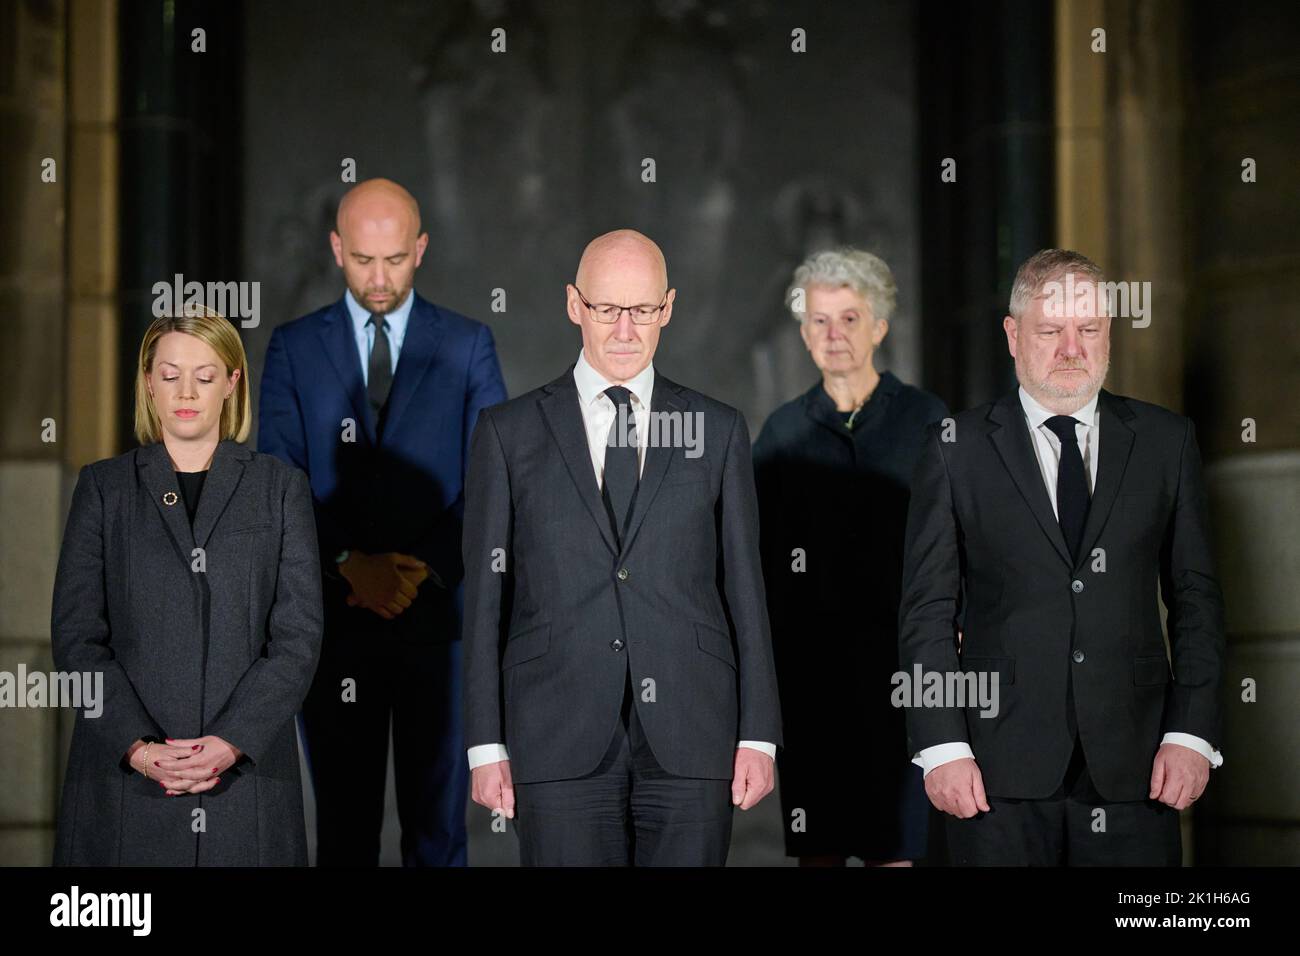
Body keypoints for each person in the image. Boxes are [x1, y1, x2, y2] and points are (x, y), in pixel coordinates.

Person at [462, 229, 782, 866]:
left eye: (642, 309)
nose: (625, 329)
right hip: (553, 732)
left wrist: (759, 736)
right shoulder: (509, 432)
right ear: (575, 305)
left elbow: (746, 590)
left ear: (667, 308)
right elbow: (484, 601)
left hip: (695, 733)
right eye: (608, 308)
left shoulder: (717, 430)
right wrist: (485, 744)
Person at [899, 248, 1226, 865]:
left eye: (1090, 330)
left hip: (1140, 768)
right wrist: (942, 747)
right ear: (1014, 336)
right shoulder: (954, 447)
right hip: (991, 773)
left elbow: (1196, 599)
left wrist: (1191, 733)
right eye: (1051, 331)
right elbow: (927, 611)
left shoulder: (1165, 442)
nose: (1072, 349)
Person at [258, 178, 507, 866]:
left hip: (441, 630)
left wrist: (416, 570)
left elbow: (494, 478)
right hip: (332, 631)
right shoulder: (292, 348)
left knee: (439, 837)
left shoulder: (467, 343)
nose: (378, 277)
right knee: (342, 834)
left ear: (421, 249)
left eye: (394, 259)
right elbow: (278, 484)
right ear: (336, 249)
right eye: (363, 259)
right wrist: (349, 566)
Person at [52, 306, 323, 866]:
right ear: (148, 382)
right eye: (170, 374)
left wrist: (230, 742)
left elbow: (297, 638)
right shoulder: (104, 488)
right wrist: (139, 748)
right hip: (126, 784)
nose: (187, 392)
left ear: (232, 382)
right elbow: (77, 637)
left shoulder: (279, 489)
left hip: (246, 784)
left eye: (204, 376)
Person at [754, 248, 947, 865]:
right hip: (812, 683)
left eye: (849, 319)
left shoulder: (927, 421)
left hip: (905, 678)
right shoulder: (781, 433)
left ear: (880, 328)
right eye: (818, 320)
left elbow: (960, 539)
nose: (833, 336)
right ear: (803, 331)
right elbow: (757, 560)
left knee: (899, 850)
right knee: (821, 850)